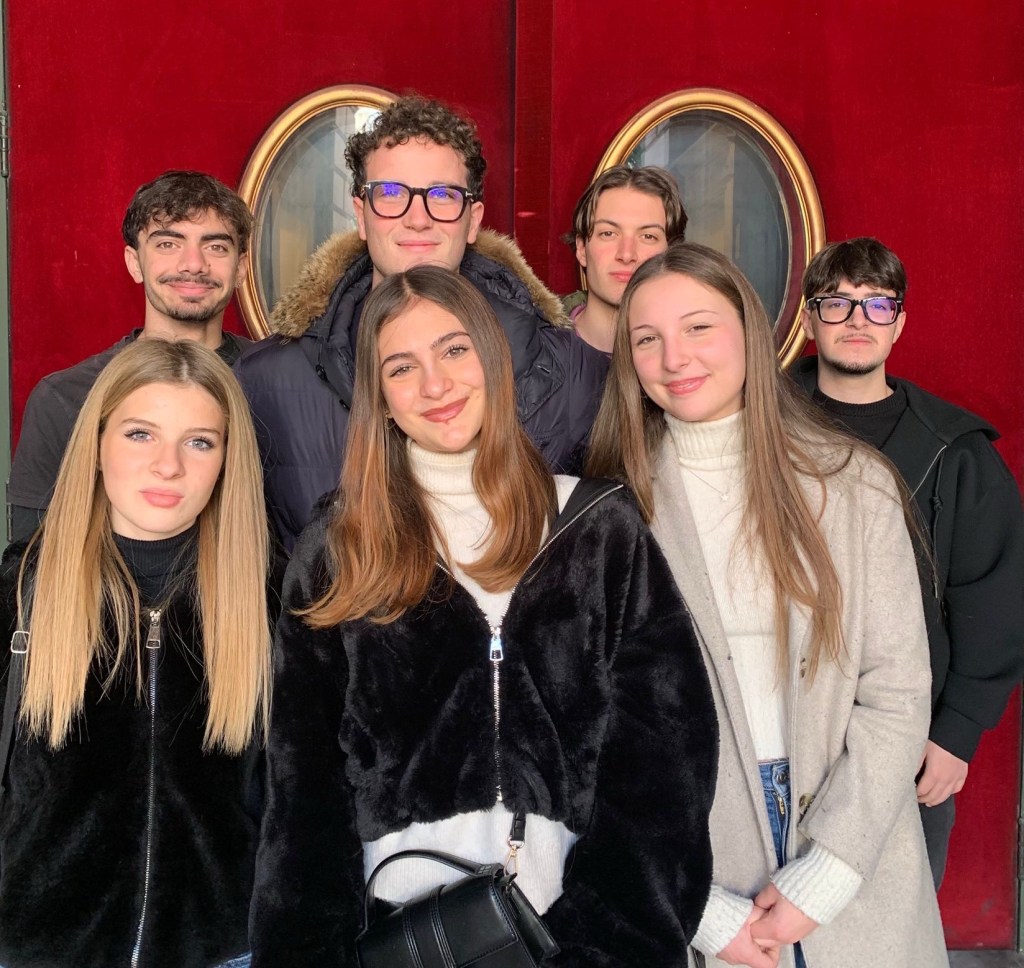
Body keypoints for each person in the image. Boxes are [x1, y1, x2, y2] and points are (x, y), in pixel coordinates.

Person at [249, 265, 717, 967]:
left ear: (493, 360)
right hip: (398, 937)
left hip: (571, 934)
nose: (434, 384)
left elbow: (666, 767)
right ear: (380, 399)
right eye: (401, 367)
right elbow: (301, 790)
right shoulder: (339, 548)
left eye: (454, 350)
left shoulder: (596, 525)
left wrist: (611, 946)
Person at [587, 242, 947, 968]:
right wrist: (690, 901)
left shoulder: (855, 484)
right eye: (646, 339)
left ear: (749, 331)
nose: (674, 357)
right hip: (698, 848)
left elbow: (897, 691)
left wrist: (830, 870)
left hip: (853, 835)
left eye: (698, 327)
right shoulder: (607, 510)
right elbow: (593, 728)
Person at [0, 339, 276, 967]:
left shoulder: (272, 604)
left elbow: (305, 811)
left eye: (199, 442)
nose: (168, 466)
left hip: (226, 954)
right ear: (97, 445)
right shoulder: (20, 593)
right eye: (140, 434)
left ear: (227, 461)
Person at [234, 95, 610, 551]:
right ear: (361, 215)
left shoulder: (575, 373)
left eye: (443, 195)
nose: (417, 219)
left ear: (473, 221)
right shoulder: (265, 382)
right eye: (391, 194)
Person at [789, 237, 1024, 888]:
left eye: (877, 305)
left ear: (899, 324)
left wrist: (957, 733)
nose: (856, 320)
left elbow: (995, 603)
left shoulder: (957, 453)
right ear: (808, 319)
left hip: (907, 739)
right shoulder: (758, 426)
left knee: (893, 921)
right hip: (776, 726)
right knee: (774, 921)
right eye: (836, 303)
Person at [8, 170, 254, 540]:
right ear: (134, 262)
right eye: (168, 244)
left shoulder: (285, 386)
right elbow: (31, 554)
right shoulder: (64, 397)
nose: (193, 264)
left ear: (242, 268)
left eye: (216, 247)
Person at [562, 165, 687, 353]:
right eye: (608, 233)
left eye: (648, 236)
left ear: (670, 252)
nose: (626, 255)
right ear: (582, 249)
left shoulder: (693, 357)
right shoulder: (528, 345)